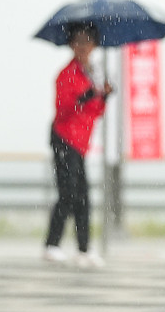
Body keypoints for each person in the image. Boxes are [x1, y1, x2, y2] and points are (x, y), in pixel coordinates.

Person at [43, 22, 113, 268]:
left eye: (88, 41)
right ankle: (52, 245)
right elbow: (63, 109)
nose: (83, 46)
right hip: (64, 139)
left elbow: (95, 111)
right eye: (78, 41)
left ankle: (84, 249)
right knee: (68, 193)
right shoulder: (67, 74)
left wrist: (103, 96)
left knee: (82, 196)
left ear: (94, 45)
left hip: (80, 143)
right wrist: (85, 96)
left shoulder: (91, 74)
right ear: (71, 45)